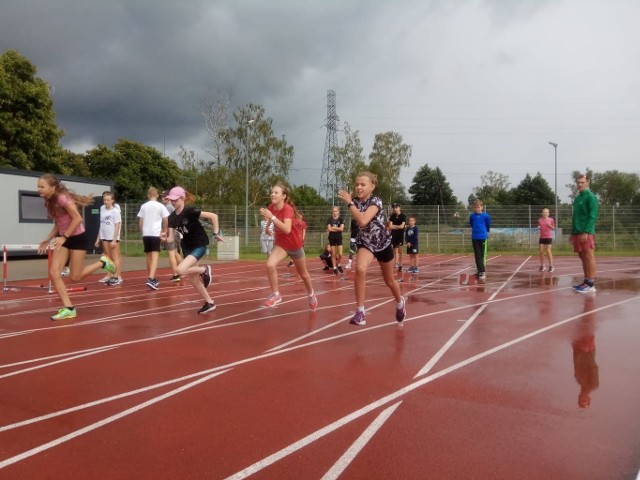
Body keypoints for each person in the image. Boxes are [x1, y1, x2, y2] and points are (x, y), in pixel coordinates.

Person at [36, 174, 116, 321]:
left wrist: (64, 236)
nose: (39, 189)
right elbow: (58, 223)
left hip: (77, 237)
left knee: (75, 277)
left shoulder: (62, 198)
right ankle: (69, 308)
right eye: (38, 186)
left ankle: (103, 262)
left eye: (42, 186)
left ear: (52, 187)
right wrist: (48, 239)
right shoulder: (48, 201)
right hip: (64, 238)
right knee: (54, 273)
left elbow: (78, 218)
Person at [337, 172, 406, 326]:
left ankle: (400, 302)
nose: (359, 187)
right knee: (360, 269)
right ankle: (360, 312)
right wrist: (352, 203)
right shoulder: (354, 201)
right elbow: (360, 222)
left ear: (372, 187)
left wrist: (350, 203)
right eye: (356, 184)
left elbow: (362, 220)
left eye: (363, 184)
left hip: (383, 243)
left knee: (390, 281)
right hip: (366, 243)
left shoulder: (376, 201)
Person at [164, 186, 223, 314]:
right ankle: (210, 302)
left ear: (182, 198)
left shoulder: (190, 211)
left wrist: (216, 233)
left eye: (175, 200)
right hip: (187, 247)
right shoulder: (172, 218)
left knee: (179, 270)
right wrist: (162, 237)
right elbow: (170, 239)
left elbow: (213, 216)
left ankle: (204, 269)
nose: (173, 202)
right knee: (194, 279)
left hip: (199, 244)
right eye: (171, 200)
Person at [259, 183, 317, 310]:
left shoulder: (287, 209)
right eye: (272, 192)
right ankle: (276, 294)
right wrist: (268, 227)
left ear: (283, 196)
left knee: (304, 274)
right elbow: (271, 217)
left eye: (276, 192)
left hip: (295, 245)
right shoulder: (271, 207)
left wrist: (272, 217)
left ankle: (311, 293)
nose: (272, 194)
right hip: (282, 244)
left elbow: (287, 229)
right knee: (270, 264)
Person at [571, 174, 599, 293]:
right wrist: (572, 232)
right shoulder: (577, 199)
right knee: (582, 257)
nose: (580, 184)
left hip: (586, 232)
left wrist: (587, 231)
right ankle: (586, 281)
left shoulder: (591, 197)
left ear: (587, 183)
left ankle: (591, 284)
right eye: (578, 183)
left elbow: (592, 216)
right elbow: (575, 217)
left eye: (582, 182)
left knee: (589, 256)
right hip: (577, 232)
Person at [137, 187, 170, 290]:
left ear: (148, 195)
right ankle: (151, 278)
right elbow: (165, 220)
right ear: (157, 195)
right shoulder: (160, 206)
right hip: (155, 233)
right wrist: (165, 231)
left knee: (148, 255)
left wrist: (142, 232)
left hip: (146, 234)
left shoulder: (143, 206)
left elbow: (141, 222)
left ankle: (151, 277)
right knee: (155, 256)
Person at [95, 191, 122, 285]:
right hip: (104, 236)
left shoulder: (115, 211)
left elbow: (117, 225)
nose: (106, 201)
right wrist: (98, 238)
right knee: (107, 257)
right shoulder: (102, 208)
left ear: (112, 201)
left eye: (108, 200)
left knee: (115, 257)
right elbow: (101, 224)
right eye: (104, 200)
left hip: (112, 237)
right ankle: (109, 275)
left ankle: (116, 277)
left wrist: (114, 240)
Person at [161, 190, 183, 281]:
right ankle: (183, 269)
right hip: (176, 231)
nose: (162, 199)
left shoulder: (168, 207)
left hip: (171, 231)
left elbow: (167, 220)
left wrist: (165, 231)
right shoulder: (172, 206)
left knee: (171, 253)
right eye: (162, 197)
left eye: (164, 197)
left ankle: (176, 274)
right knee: (175, 252)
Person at [469, 199, 491, 280]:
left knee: (482, 256)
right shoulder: (472, 216)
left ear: (482, 207)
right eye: (475, 207)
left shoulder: (486, 216)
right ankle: (479, 271)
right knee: (477, 256)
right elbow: (472, 224)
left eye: (478, 207)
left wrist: (486, 232)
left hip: (483, 237)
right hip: (474, 237)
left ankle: (482, 272)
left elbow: (488, 225)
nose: (477, 209)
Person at [326, 206, 345, 275]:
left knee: (340, 254)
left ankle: (338, 264)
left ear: (338, 212)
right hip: (331, 238)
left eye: (336, 211)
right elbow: (329, 229)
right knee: (333, 254)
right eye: (333, 211)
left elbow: (342, 229)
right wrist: (337, 228)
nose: (335, 212)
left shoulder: (341, 219)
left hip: (339, 237)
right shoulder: (329, 219)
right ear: (332, 212)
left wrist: (333, 227)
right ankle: (334, 268)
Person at [388, 203, 406, 272]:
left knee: (400, 251)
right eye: (393, 208)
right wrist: (398, 226)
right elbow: (390, 226)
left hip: (400, 235)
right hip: (393, 235)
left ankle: (400, 265)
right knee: (394, 250)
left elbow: (402, 226)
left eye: (396, 207)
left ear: (399, 208)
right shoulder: (392, 216)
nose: (394, 209)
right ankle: (396, 263)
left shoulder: (403, 216)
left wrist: (394, 226)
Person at [537, 207, 555, 273]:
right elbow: (539, 227)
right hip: (542, 237)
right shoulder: (539, 220)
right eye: (543, 212)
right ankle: (543, 266)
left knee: (548, 250)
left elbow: (553, 228)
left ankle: (551, 266)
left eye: (546, 212)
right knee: (541, 251)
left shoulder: (551, 219)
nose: (545, 213)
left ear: (548, 213)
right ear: (542, 213)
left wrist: (550, 225)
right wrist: (539, 228)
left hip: (548, 237)